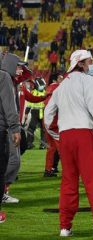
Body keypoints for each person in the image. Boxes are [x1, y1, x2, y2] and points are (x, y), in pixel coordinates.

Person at [44, 50, 93, 237]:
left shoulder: (61, 87)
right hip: (84, 135)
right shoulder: (89, 81)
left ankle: (65, 227)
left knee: (68, 183)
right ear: (80, 63)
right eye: (89, 61)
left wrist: (57, 135)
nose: (91, 64)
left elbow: (47, 116)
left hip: (66, 137)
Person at [0, 53, 22, 223]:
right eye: (18, 65)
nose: (20, 69)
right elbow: (9, 106)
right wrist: (15, 128)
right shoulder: (4, 77)